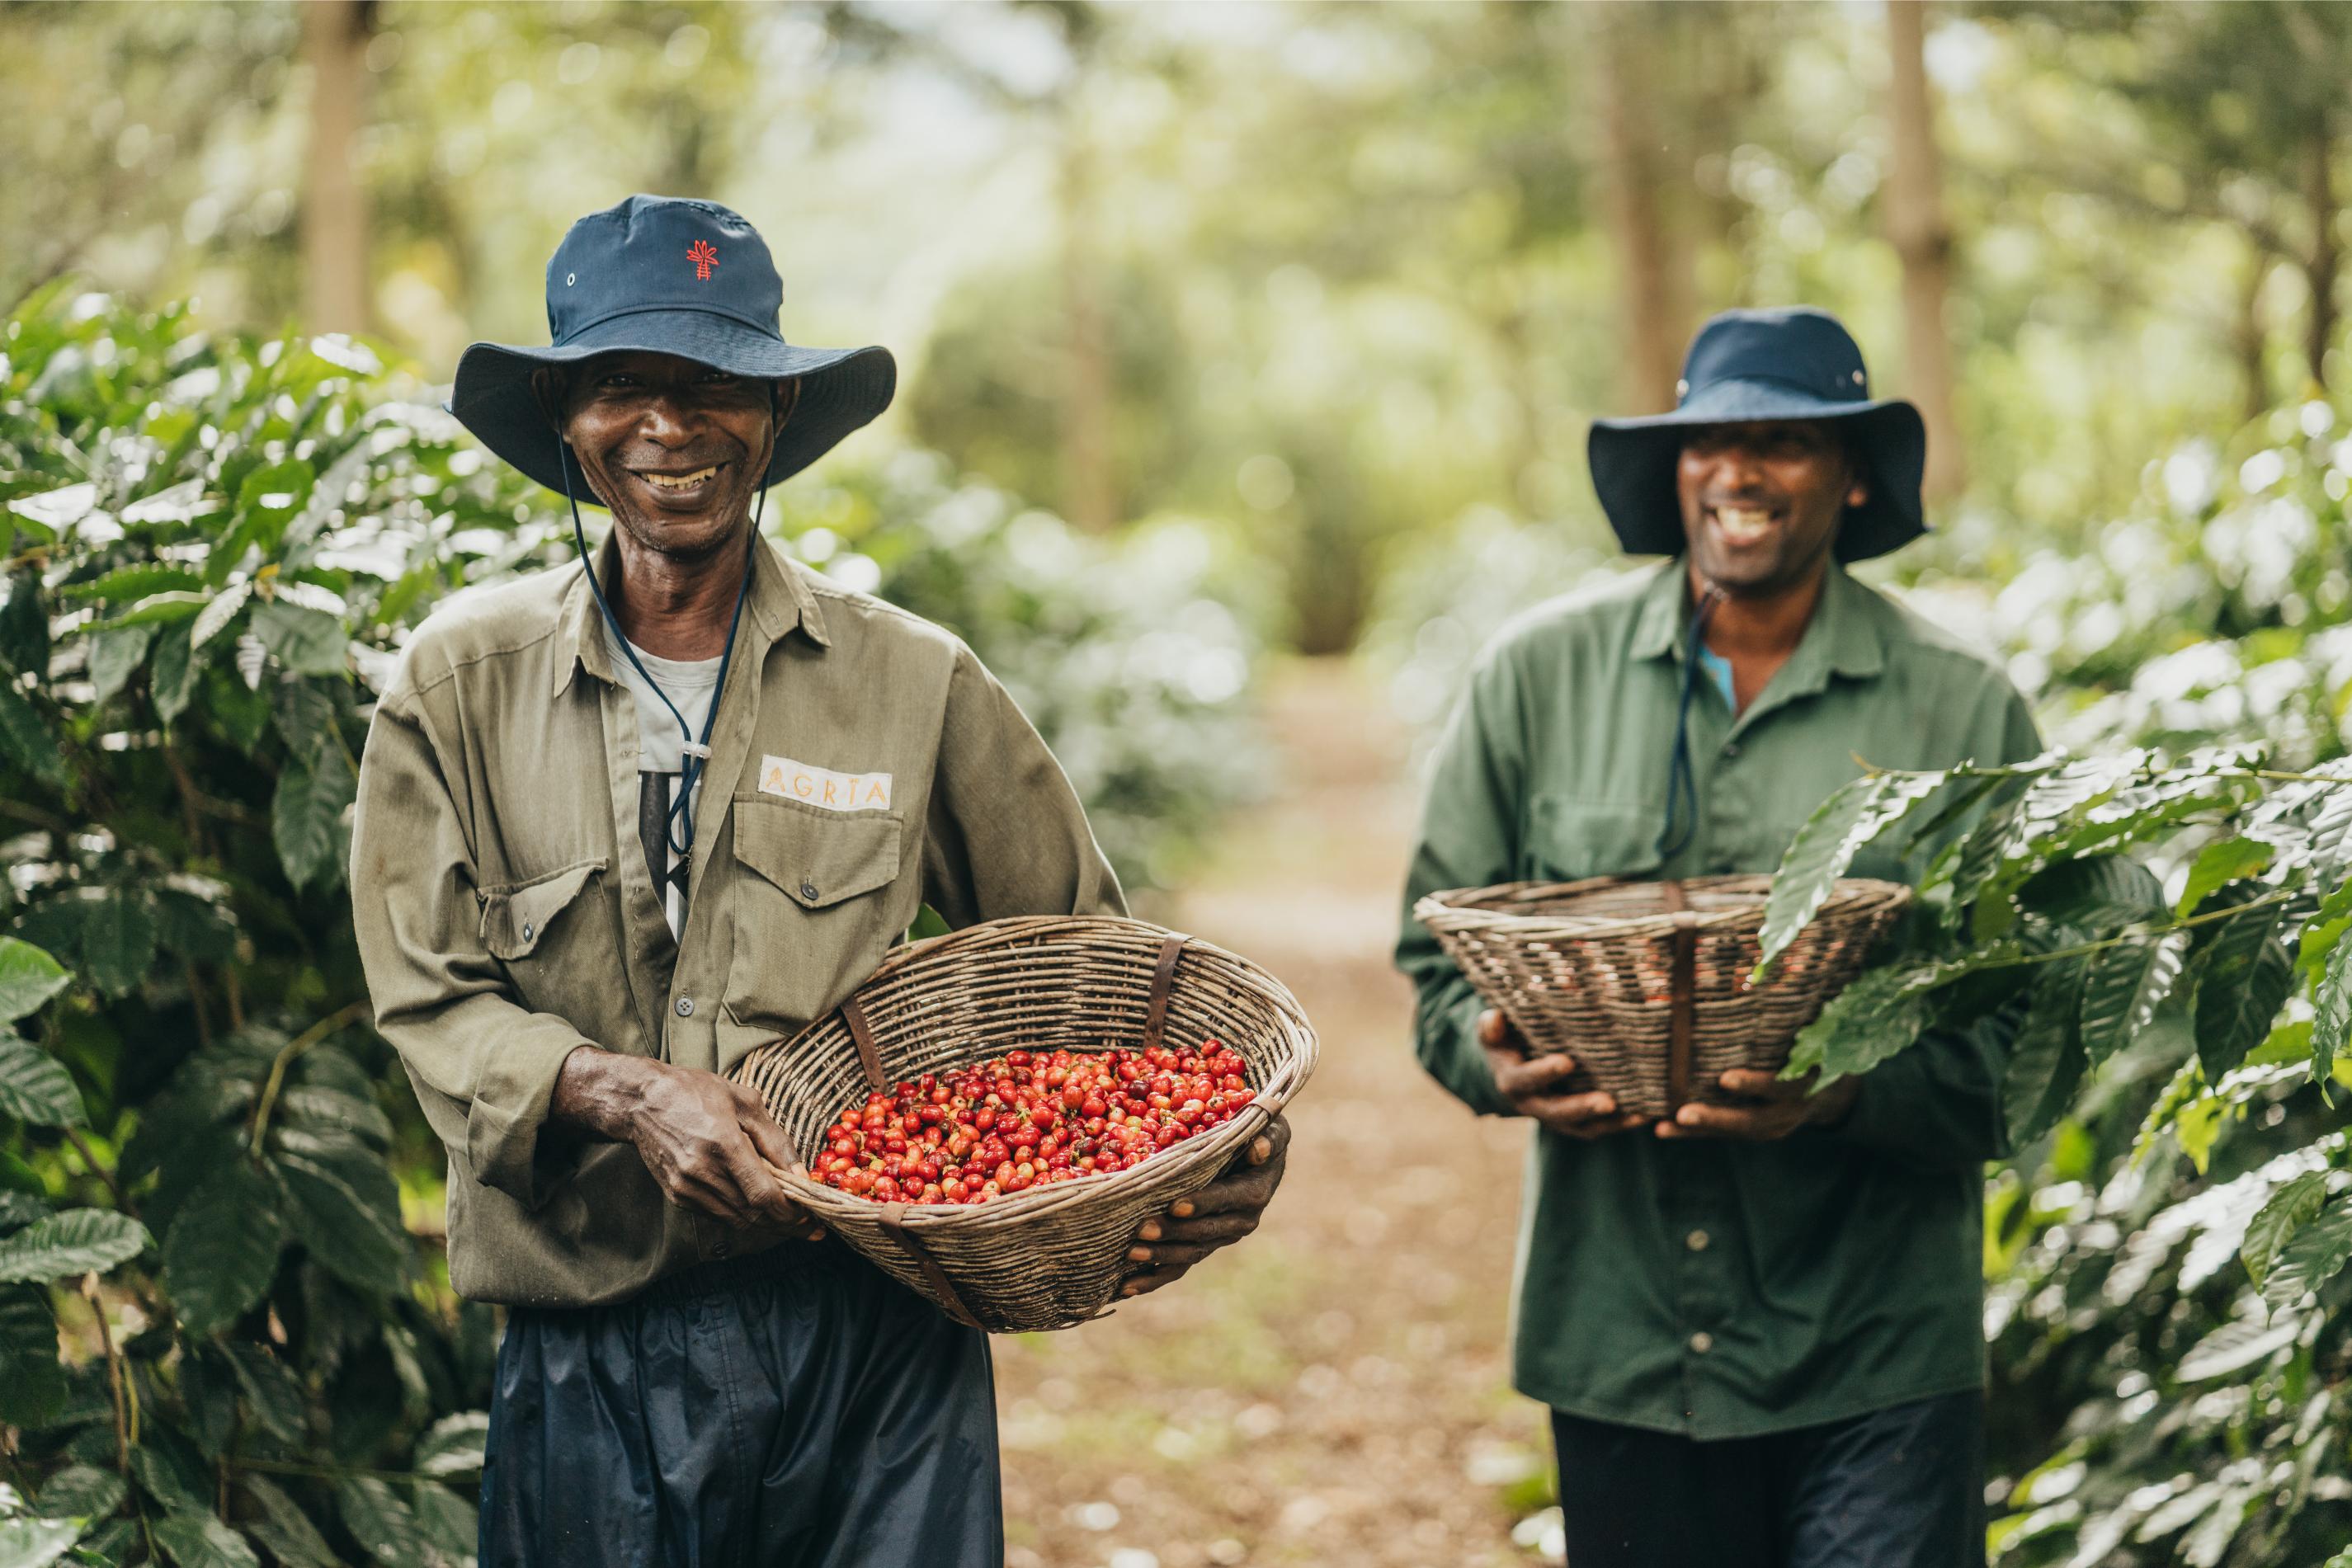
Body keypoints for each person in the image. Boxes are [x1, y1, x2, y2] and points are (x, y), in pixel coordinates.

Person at [351, 195, 1289, 1567]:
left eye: (717, 381)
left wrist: (1209, 1152)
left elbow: (1096, 971)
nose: (672, 424)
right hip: (592, 1354)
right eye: (624, 383)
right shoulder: (458, 687)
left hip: (879, 1341)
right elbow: (426, 995)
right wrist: (617, 1087)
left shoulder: (912, 680)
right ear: (566, 416)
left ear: (776, 415)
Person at [1394, 306, 2039, 1567]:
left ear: (1852, 479)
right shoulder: (1537, 676)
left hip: (1878, 1340)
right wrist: (1496, 1065)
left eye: (1785, 440)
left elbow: (2031, 1020)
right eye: (1710, 440)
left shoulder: (1958, 702)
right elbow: (1434, 967)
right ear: (1677, 470)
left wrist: (1857, 1091)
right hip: (1623, 1332)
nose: (1738, 470)